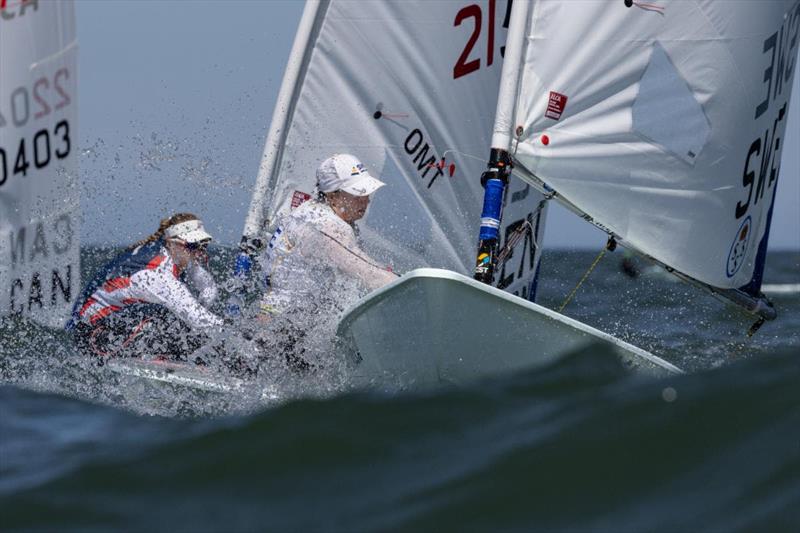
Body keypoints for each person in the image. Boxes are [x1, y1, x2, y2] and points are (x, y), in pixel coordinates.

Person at [254, 154, 397, 370]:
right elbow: (369, 275)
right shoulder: (327, 227)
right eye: (358, 193)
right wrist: (416, 289)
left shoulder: (309, 213)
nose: (366, 200)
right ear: (333, 195)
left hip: (275, 326)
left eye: (367, 192)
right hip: (287, 337)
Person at [67, 213, 224, 363]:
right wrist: (239, 335)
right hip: (89, 338)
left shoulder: (171, 253)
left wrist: (205, 302)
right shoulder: (156, 274)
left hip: (113, 324)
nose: (199, 253)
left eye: (203, 246)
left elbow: (206, 284)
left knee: (178, 322)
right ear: (171, 242)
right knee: (169, 319)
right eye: (193, 246)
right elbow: (199, 319)